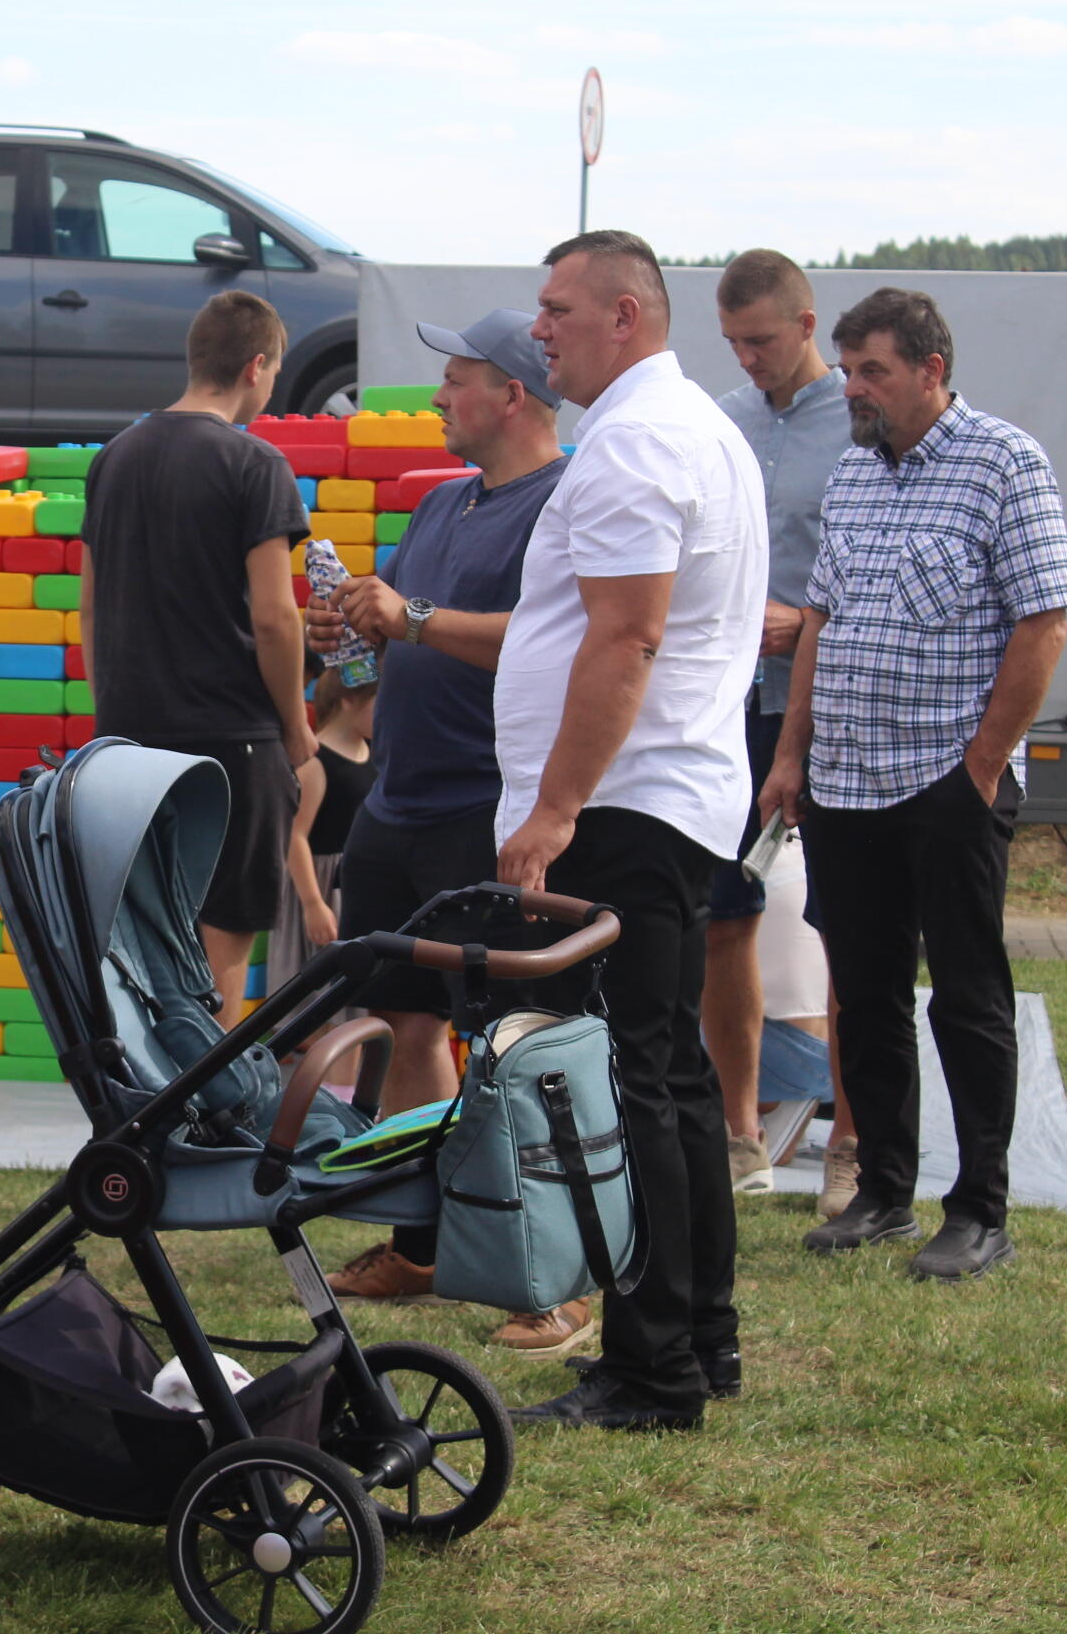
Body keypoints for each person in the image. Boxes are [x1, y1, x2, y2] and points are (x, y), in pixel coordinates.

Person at [493, 233, 766, 1433]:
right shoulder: (683, 425)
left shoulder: (641, 439)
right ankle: (699, 1338)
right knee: (670, 1077)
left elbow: (627, 635)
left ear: (625, 316)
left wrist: (554, 808)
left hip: (625, 803)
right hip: (662, 797)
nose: (538, 329)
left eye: (557, 308)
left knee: (628, 1088)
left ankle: (654, 1366)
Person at [760, 288, 1067, 1285]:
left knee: (968, 997)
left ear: (931, 370)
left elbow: (1044, 623)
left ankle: (980, 1209)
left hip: (947, 783)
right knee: (866, 994)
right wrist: (792, 755)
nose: (854, 389)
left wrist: (980, 767)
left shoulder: (1004, 462)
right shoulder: (855, 471)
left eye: (874, 372)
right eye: (850, 370)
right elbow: (820, 621)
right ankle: (884, 1192)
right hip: (846, 781)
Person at [303, 309, 594, 1360]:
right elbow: (391, 641)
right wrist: (346, 636)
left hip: (490, 807)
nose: (436, 397)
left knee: (520, 1045)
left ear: (512, 393)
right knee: (408, 1024)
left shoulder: (564, 502)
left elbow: (559, 639)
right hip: (399, 802)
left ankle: (553, 1281)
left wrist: (410, 618)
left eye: (455, 378)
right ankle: (420, 1246)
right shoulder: (441, 503)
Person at [80, 290, 314, 1024]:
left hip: (127, 740)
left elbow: (90, 607)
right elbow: (275, 616)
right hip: (231, 739)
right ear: (255, 367)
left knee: (140, 946)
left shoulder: (114, 458)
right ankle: (203, 1092)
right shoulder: (256, 463)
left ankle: (142, 1088)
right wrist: (296, 728)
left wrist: (111, 715)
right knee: (221, 948)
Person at [706, 250, 860, 1205]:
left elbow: (878, 568)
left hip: (831, 702)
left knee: (848, 924)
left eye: (760, 340)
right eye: (732, 343)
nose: (747, 359)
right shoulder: (721, 421)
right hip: (730, 708)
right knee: (725, 916)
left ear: (808, 326)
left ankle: (852, 1142)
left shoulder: (862, 422)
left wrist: (804, 624)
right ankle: (739, 1135)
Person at [271, 658, 376, 1008]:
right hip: (319, 883)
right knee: (317, 999)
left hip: (354, 881)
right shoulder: (317, 762)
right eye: (380, 701)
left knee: (353, 998)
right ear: (348, 700)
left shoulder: (372, 752)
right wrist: (313, 904)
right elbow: (295, 836)